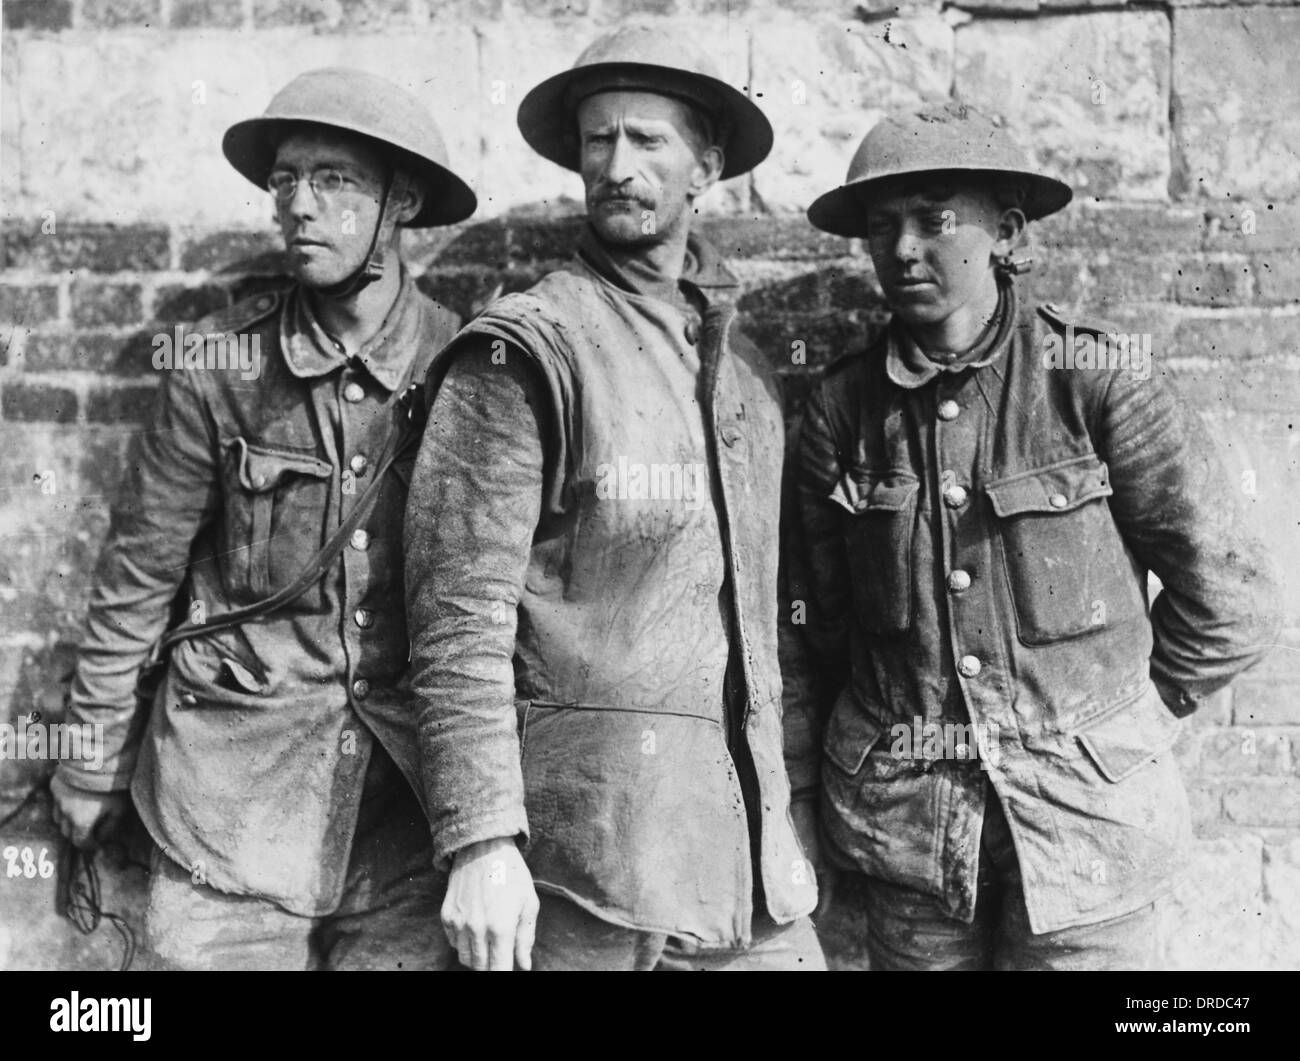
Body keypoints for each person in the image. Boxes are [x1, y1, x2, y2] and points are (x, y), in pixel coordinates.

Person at [797, 101, 1282, 970]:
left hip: (1088, 840)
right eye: (880, 227)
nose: (903, 248)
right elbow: (820, 631)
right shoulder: (840, 411)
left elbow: (1230, 598)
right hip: (912, 847)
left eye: (934, 218)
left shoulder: (1092, 378)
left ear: (1007, 230)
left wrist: (1127, 727)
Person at [404, 25, 824, 972]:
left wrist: (786, 818)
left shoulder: (745, 380)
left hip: (743, 869)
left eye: (648, 141)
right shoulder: (527, 349)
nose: (618, 166)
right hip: (583, 866)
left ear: (706, 165)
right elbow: (456, 615)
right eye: (599, 142)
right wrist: (480, 841)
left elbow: (767, 630)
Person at [50, 67, 477, 970]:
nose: (298, 205)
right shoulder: (220, 368)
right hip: (228, 805)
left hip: (403, 820)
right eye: (286, 180)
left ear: (400, 201)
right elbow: (138, 576)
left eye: (332, 180)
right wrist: (90, 758)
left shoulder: (468, 368)